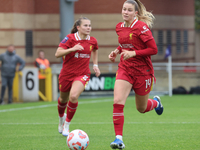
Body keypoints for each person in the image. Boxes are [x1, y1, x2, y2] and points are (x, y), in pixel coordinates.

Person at [108, 0, 164, 149]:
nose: (125, 12)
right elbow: (124, 43)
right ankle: (118, 139)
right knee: (118, 101)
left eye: (129, 10)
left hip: (142, 71)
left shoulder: (141, 27)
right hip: (125, 68)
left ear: (135, 13)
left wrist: (133, 53)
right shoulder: (119, 27)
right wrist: (116, 51)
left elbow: (153, 49)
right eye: (124, 9)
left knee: (142, 108)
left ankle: (157, 103)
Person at [55, 17, 101, 136]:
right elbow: (57, 53)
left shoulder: (93, 40)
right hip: (66, 74)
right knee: (62, 100)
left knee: (74, 96)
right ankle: (61, 118)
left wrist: (95, 65)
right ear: (78, 27)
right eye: (85, 25)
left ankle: (67, 124)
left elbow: (95, 50)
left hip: (82, 74)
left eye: (90, 25)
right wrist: (72, 49)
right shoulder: (70, 39)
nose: (88, 28)